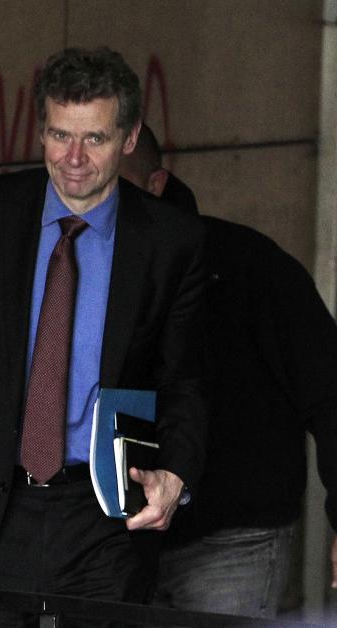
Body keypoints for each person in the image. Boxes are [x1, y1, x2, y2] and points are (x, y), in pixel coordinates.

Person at [0, 47, 208, 611]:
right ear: (40, 131)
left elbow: (186, 377)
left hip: (103, 516)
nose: (74, 158)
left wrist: (174, 472)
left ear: (129, 139)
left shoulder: (170, 240)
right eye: (60, 136)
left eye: (96, 139)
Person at [118, 124, 337, 618]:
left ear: (156, 183)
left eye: (121, 186)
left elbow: (328, 391)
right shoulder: (78, 266)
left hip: (232, 536)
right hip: (118, 541)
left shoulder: (245, 264)